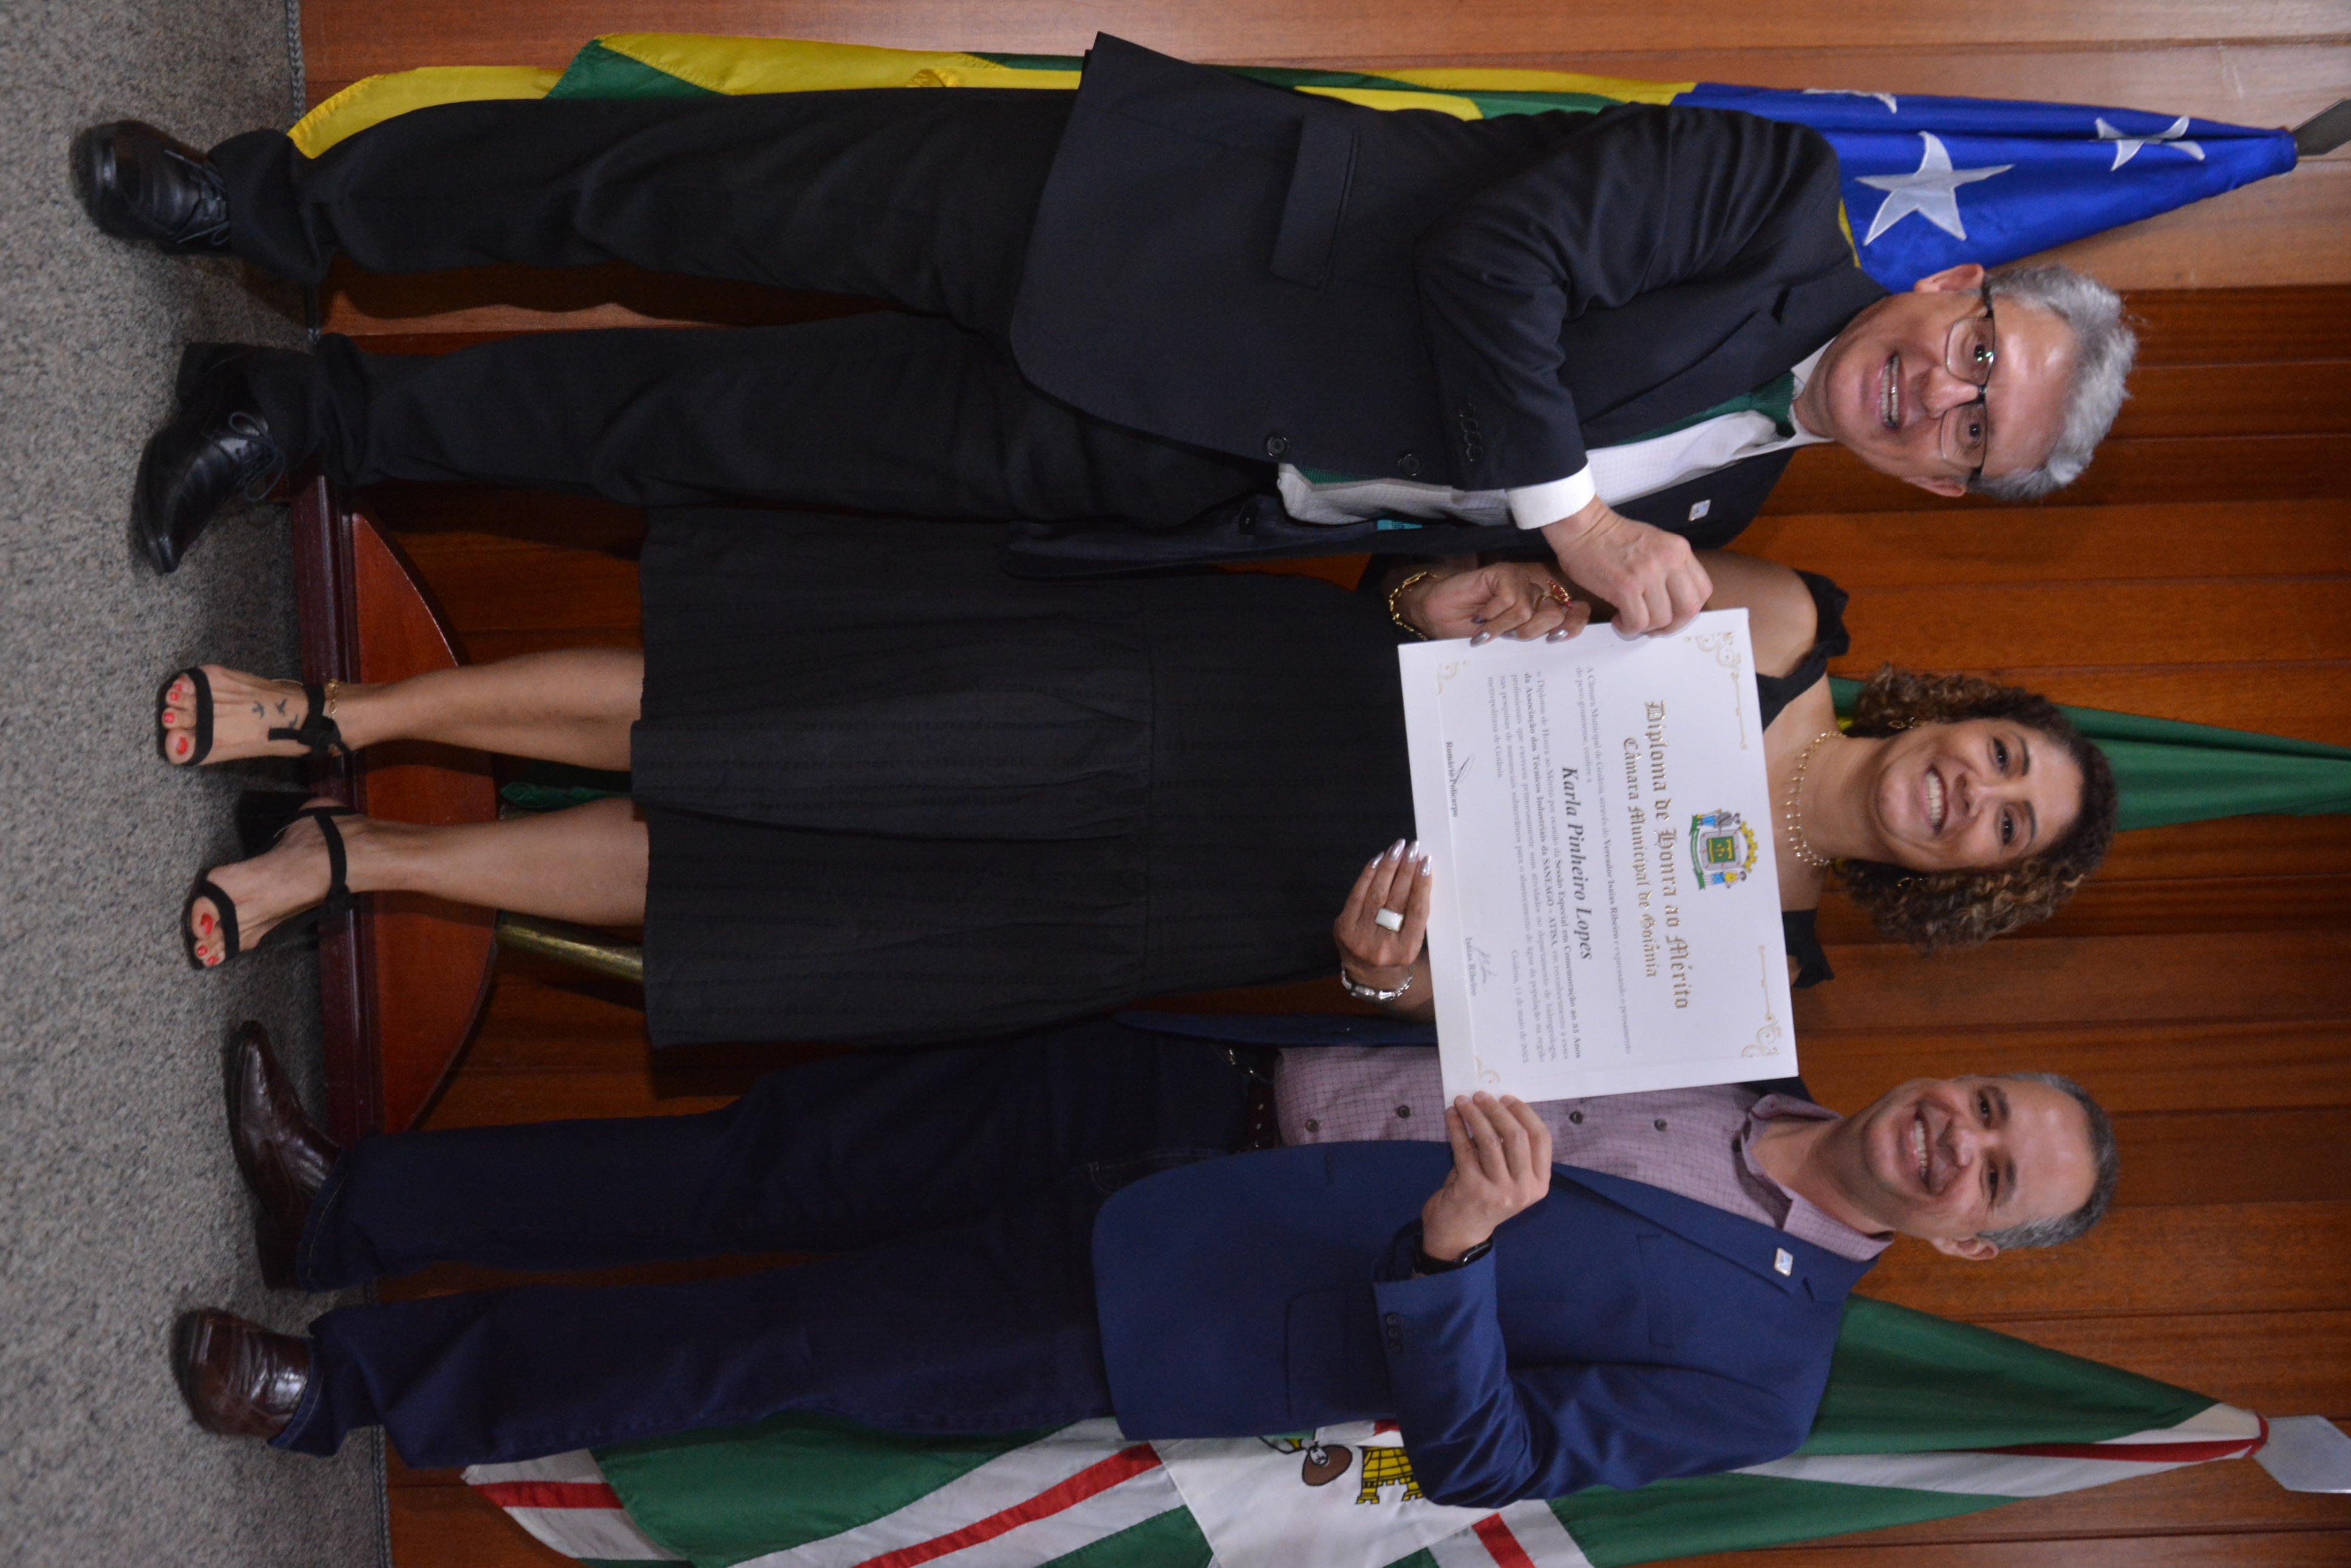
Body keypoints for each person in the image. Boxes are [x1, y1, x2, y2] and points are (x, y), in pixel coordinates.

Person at [78, 35, 2134, 631]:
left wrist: (1459, 603)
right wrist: (1571, 525)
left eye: (1979, 432)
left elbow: (1431, 546)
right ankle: (266, 207)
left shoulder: (1732, 510)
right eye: (1980, 358)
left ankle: (300, 417)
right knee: (671, 193)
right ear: (1955, 285)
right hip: (1144, 230)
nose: (1945, 398)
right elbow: (1505, 261)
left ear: (1949, 486)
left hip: (1155, 463)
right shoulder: (1773, 194)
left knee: (676, 428)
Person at [160, 514, 2112, 1037]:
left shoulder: (1775, 975)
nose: (1978, 795)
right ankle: (350, 719)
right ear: (1969, 713)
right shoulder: (1787, 629)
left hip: (1202, 900)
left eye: (2007, 828)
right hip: (1219, 702)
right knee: (742, 718)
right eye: (2004, 757)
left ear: (1981, 881)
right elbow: (1514, 554)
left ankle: (364, 868)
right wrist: (1461, 593)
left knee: (752, 896)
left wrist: (1382, 973)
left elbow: (1482, 1019)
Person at [176, 1017, 2118, 1501]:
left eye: (1991, 1175)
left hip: (1178, 1300)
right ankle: (348, 1211)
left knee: (757, 1345)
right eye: (1983, 1102)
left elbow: (1492, 1462)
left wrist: (1454, 1256)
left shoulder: (1766, 1383)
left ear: (1974, 1245)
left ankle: (342, 1391)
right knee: (748, 1161)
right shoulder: (1728, 1016)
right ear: (1952, 1068)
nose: (1956, 1137)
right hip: (1180, 1076)